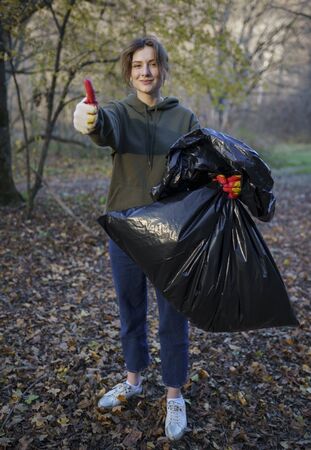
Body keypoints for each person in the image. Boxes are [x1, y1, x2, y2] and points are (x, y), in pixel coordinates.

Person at [73, 35, 240, 441]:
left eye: (152, 64)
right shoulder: (120, 112)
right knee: (130, 307)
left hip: (172, 233)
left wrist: (225, 180)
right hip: (126, 229)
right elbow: (103, 127)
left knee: (172, 315)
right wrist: (89, 117)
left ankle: (174, 393)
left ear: (162, 69)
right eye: (137, 66)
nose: (145, 72)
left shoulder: (183, 118)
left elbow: (205, 162)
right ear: (129, 73)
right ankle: (133, 380)